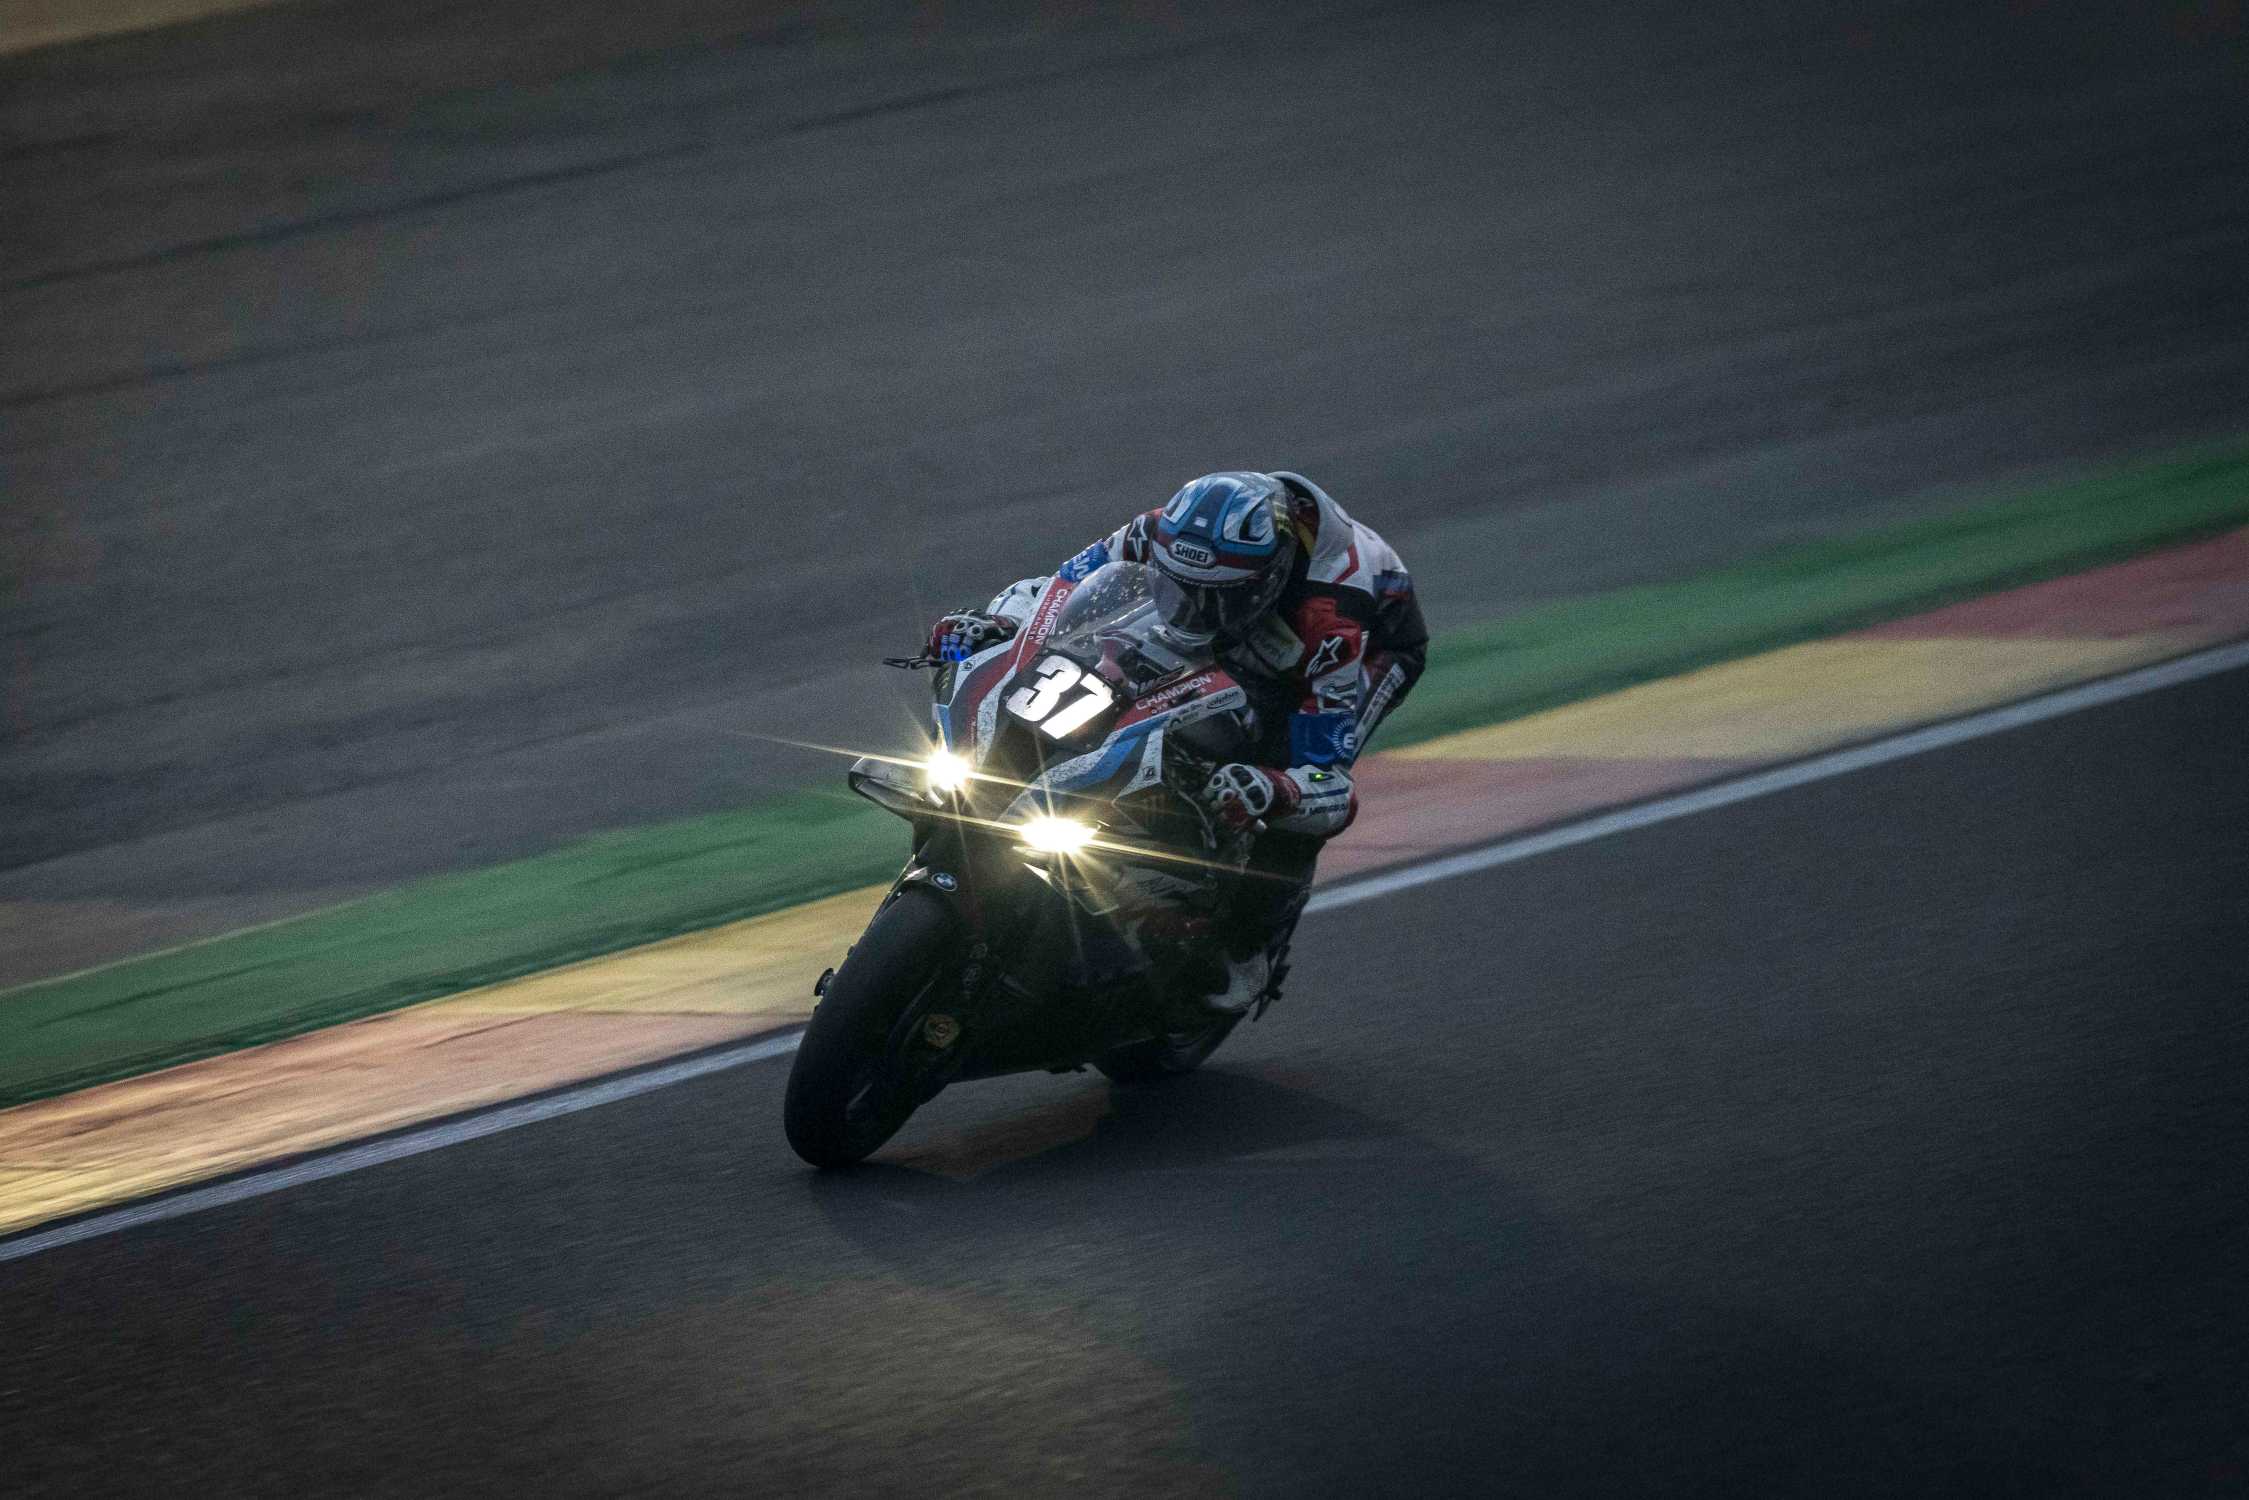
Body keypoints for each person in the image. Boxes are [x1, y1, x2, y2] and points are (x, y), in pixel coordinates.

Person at [925, 471, 1429, 1013]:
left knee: (1280, 773)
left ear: (1265, 582)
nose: (1189, 607)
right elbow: (1055, 592)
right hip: (1249, 613)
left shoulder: (1331, 619)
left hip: (1373, 646)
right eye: (1177, 587)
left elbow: (1331, 784)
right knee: (1106, 665)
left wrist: (1276, 789)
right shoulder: (1162, 531)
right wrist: (994, 624)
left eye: (1212, 598)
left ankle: (1249, 947)